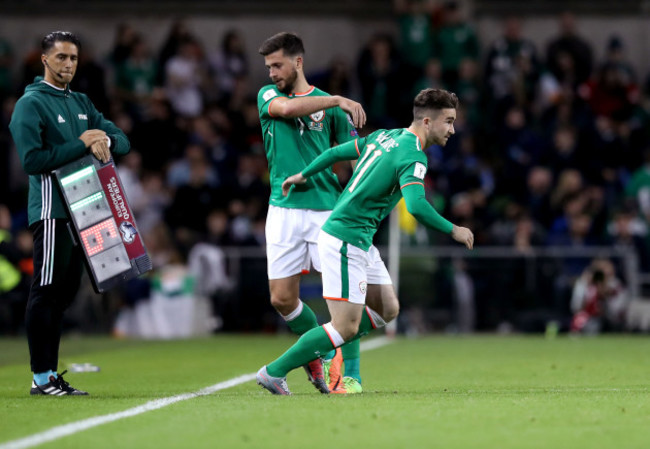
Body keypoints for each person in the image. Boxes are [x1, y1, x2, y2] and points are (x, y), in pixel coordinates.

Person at [256, 88, 474, 395]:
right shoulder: (413, 155)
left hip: (358, 238)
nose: (452, 129)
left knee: (388, 308)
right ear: (428, 121)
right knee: (344, 326)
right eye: (448, 121)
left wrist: (303, 175)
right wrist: (454, 230)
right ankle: (275, 372)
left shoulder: (386, 136)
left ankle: (338, 360)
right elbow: (416, 205)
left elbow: (335, 153)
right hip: (346, 239)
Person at [9, 31, 130, 396]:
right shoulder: (30, 104)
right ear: (44, 60)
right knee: (45, 291)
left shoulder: (81, 101)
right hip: (51, 210)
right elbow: (32, 161)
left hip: (85, 211)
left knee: (64, 294)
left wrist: (102, 139)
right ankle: (41, 377)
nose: (68, 64)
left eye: (73, 58)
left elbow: (121, 141)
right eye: (61, 57)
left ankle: (48, 376)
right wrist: (82, 142)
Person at [257, 32, 368, 394]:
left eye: (278, 65)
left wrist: (363, 192)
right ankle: (317, 354)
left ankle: (349, 375)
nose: (272, 73)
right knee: (282, 298)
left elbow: (350, 156)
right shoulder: (268, 96)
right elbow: (287, 110)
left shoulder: (330, 108)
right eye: (269, 66)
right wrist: (336, 98)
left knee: (344, 297)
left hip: (326, 210)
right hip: (283, 209)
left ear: (298, 62)